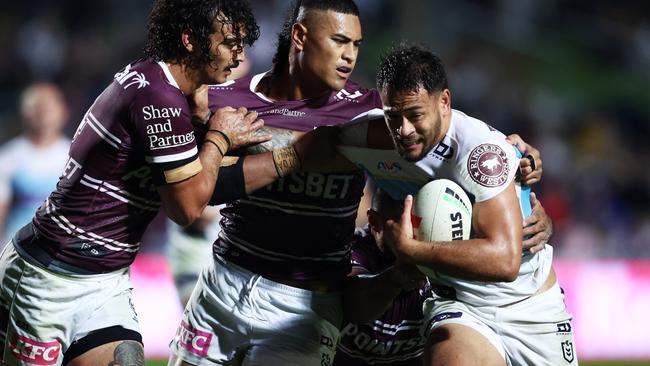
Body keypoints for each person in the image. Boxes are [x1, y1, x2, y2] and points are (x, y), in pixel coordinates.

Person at [0, 1, 268, 365]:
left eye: (242, 43)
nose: (238, 54)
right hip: (49, 275)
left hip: (105, 280)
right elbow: (187, 207)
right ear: (190, 40)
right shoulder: (157, 99)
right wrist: (219, 138)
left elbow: (204, 180)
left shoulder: (157, 83)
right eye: (228, 42)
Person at [168, 1, 382, 365]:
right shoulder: (223, 101)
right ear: (300, 35)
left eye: (356, 45)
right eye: (340, 41)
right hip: (222, 284)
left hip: (305, 307)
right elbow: (195, 193)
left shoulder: (367, 111)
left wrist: (502, 150)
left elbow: (442, 134)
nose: (350, 56)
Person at [347, 44, 577, 366]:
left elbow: (505, 261)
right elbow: (312, 142)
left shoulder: (479, 152)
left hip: (529, 304)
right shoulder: (367, 138)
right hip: (458, 304)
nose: (403, 130)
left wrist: (412, 251)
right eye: (392, 116)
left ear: (444, 102)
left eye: (414, 115)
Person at [0, 82, 70, 245]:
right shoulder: (8, 157)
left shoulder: (75, 158)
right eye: (36, 106)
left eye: (48, 106)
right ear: (22, 112)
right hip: (16, 251)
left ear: (64, 112)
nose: (43, 113)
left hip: (60, 253)